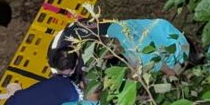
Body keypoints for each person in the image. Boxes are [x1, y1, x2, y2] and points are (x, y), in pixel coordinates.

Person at [49, 18, 192, 77]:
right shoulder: (113, 28)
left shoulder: (143, 56)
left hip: (177, 47)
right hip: (159, 27)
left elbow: (170, 72)